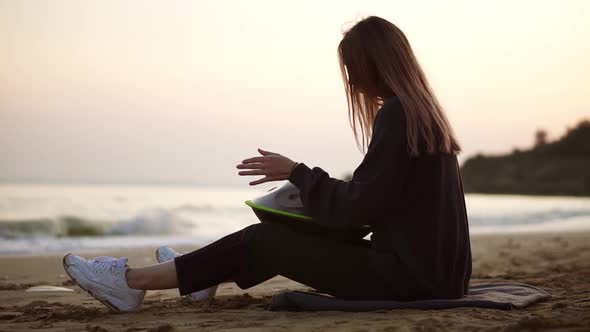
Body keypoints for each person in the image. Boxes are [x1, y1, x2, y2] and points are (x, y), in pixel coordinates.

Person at [62, 16, 472, 312]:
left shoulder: (398, 115)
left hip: (409, 282)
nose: (351, 81)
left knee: (265, 241)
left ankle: (131, 283)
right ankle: (199, 275)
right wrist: (305, 195)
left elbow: (360, 207)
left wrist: (297, 173)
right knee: (279, 229)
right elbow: (376, 204)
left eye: (352, 69)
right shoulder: (421, 113)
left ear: (372, 65)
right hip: (431, 276)